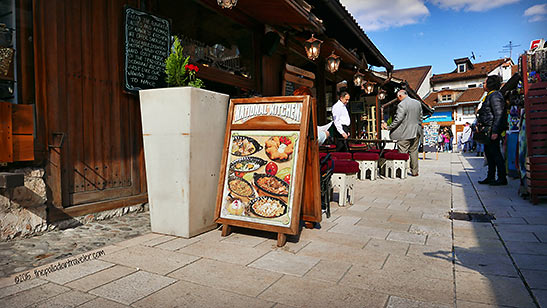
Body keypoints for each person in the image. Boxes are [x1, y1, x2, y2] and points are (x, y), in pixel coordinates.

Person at [382, 89, 422, 176]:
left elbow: (398, 119)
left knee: (402, 152)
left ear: (400, 96)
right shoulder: (417, 103)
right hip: (417, 131)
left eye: (398, 97)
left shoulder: (402, 104)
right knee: (414, 151)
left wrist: (388, 127)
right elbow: (420, 117)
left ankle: (401, 172)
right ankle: (415, 172)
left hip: (405, 132)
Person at [477, 75, 507, 186]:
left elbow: (498, 114)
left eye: (484, 82)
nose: (483, 85)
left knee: (496, 154)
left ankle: (502, 177)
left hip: (491, 130)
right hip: (487, 129)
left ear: (490, 84)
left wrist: (495, 131)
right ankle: (491, 177)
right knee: (489, 155)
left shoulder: (495, 96)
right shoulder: (489, 96)